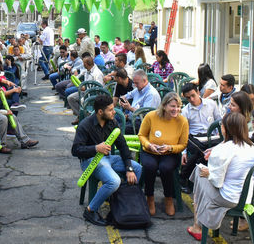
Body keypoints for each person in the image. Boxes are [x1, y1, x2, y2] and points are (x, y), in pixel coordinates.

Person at [72, 95, 143, 226]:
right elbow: (75, 150)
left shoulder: (112, 122)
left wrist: (129, 168)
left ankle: (122, 205)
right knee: (114, 181)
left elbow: (123, 147)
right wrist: (95, 148)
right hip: (90, 161)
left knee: (137, 168)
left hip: (108, 159)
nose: (114, 112)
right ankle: (90, 210)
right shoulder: (85, 125)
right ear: (100, 112)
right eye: (110, 109)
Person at [186, 112, 254, 240]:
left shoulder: (223, 149)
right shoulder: (252, 147)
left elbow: (217, 182)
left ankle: (197, 225)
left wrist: (209, 173)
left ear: (224, 128)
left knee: (198, 172)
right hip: (246, 196)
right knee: (200, 175)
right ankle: (199, 221)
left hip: (227, 198)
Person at [138, 92, 189, 216]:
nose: (176, 109)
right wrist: (149, 145)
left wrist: (170, 148)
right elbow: (141, 135)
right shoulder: (151, 116)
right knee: (149, 167)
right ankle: (149, 198)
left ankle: (169, 199)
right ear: (164, 106)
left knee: (165, 168)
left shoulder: (182, 121)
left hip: (170, 153)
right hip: (150, 151)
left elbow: (183, 144)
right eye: (172, 106)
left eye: (178, 106)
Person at [0, 69, 38, 154]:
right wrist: (5, 112)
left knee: (12, 117)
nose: (0, 78)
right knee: (3, 118)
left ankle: (24, 141)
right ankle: (0, 145)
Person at [179, 83, 222, 193]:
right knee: (200, 150)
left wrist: (220, 137)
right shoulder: (185, 111)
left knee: (218, 149)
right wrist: (183, 152)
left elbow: (219, 121)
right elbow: (184, 133)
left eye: (193, 95)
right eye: (188, 98)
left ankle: (186, 175)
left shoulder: (211, 104)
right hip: (195, 137)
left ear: (198, 92)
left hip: (211, 136)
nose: (192, 99)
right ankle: (189, 178)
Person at [68, 56, 104, 123]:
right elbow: (77, 77)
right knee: (71, 98)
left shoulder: (97, 73)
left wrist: (86, 88)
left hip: (93, 95)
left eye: (83, 63)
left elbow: (99, 88)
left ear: (86, 64)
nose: (83, 64)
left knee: (82, 100)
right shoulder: (86, 70)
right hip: (85, 92)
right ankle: (80, 115)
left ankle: (86, 117)